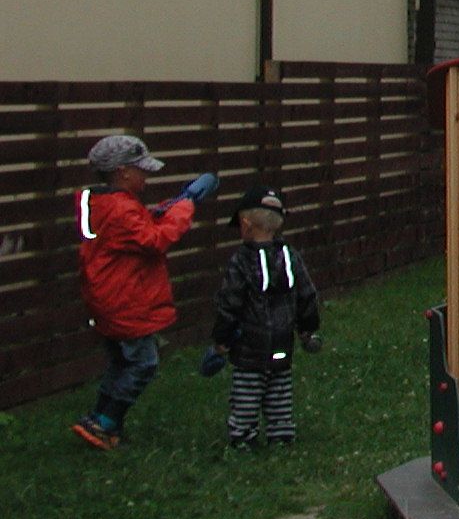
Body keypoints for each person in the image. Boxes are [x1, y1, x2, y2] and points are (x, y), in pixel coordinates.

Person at [72, 134, 198, 450]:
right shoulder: (121, 209)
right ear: (123, 172)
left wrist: (156, 213)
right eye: (141, 170)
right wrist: (182, 212)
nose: (146, 176)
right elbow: (154, 241)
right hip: (126, 300)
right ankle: (105, 423)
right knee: (143, 364)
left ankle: (99, 418)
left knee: (120, 363)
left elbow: (129, 232)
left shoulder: (100, 203)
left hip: (106, 299)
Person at [205, 185, 322, 449]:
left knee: (247, 389)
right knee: (279, 386)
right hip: (282, 343)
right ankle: (281, 433)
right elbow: (307, 294)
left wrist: (222, 339)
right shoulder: (289, 256)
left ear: (246, 224)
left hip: (249, 346)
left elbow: (230, 303)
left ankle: (243, 435)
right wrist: (308, 328)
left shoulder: (241, 261)